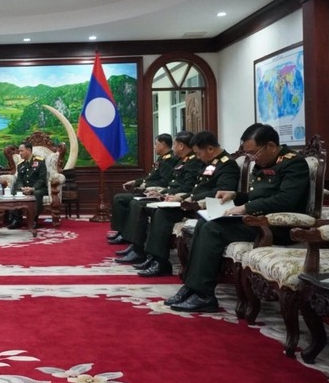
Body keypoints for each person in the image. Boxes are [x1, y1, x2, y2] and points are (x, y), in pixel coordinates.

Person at [167, 124, 309, 312]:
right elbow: (256, 196)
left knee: (213, 229)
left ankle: (204, 295)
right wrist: (234, 195)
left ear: (271, 146)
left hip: (277, 227)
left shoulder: (294, 164)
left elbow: (286, 200)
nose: (251, 158)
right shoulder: (263, 163)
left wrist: (246, 208)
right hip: (255, 220)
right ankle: (191, 286)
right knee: (204, 223)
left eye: (254, 153)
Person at [137, 131, 240, 277]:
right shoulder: (209, 162)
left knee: (163, 214)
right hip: (193, 203)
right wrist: (182, 197)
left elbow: (221, 191)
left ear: (210, 149)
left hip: (205, 207)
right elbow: (195, 187)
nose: (197, 157)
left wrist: (191, 199)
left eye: (198, 153)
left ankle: (160, 263)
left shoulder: (227, 164)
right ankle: (155, 258)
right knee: (160, 211)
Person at [114, 131, 202, 265]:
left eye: (175, 144)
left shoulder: (193, 162)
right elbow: (172, 182)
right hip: (169, 195)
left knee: (139, 205)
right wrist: (161, 192)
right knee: (136, 204)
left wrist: (164, 193)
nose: (173, 147)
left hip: (180, 200)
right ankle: (136, 247)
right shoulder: (181, 160)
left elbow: (187, 186)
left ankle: (141, 251)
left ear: (181, 146)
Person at [107, 134, 176, 245]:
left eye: (156, 144)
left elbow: (164, 181)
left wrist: (145, 185)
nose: (154, 147)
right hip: (149, 190)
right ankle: (121, 231)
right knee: (119, 198)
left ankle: (125, 235)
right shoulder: (162, 158)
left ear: (163, 144)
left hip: (156, 193)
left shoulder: (169, 160)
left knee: (121, 199)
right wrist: (136, 182)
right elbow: (151, 177)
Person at [8, 142, 47, 230]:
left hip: (38, 188)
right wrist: (21, 188)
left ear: (29, 150)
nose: (20, 153)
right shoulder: (21, 165)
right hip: (25, 188)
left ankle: (33, 219)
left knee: (37, 193)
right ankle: (16, 219)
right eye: (19, 151)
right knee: (14, 191)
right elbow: (19, 179)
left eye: (22, 151)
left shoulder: (40, 162)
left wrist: (33, 188)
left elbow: (42, 179)